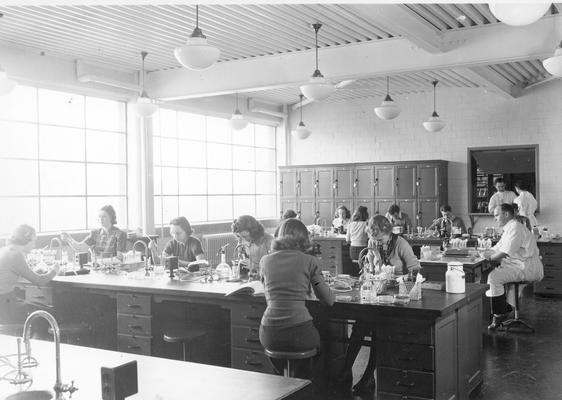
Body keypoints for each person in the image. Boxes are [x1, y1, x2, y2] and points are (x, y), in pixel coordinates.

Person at [338, 215, 421, 394]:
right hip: (379, 294)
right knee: (360, 327)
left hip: (398, 296)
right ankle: (345, 370)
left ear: (388, 233)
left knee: (378, 330)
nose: (376, 243)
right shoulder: (373, 243)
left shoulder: (401, 244)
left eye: (379, 239)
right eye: (373, 239)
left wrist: (397, 277)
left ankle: (368, 376)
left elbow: (415, 270)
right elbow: (372, 268)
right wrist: (370, 265)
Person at [259, 218, 334, 379]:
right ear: (304, 239)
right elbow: (327, 299)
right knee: (326, 341)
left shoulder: (264, 261)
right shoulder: (309, 261)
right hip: (298, 332)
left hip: (269, 333)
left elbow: (268, 293)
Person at [484, 203, 543, 330]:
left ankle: (501, 313)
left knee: (494, 277)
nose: (495, 218)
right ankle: (503, 309)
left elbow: (505, 252)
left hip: (526, 268)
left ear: (506, 214)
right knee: (493, 275)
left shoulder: (515, 228)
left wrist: (488, 257)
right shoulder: (509, 229)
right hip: (519, 265)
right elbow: (497, 247)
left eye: (496, 215)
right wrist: (481, 252)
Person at [0, 225, 60, 323]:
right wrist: (55, 270)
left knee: (40, 308)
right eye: (33, 241)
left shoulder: (5, 250)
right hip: (5, 304)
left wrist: (35, 272)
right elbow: (40, 281)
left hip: (4, 303)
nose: (34, 245)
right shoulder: (16, 255)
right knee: (50, 313)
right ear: (25, 240)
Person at [61, 205, 127, 260]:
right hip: (97, 268)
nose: (101, 219)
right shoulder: (95, 233)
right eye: (99, 217)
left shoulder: (120, 234)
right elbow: (80, 248)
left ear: (111, 217)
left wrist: (100, 260)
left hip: (113, 269)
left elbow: (119, 257)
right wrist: (68, 238)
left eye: (104, 217)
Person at [346, 206, 369, 276]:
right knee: (364, 268)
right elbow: (370, 237)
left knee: (355, 269)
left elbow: (347, 240)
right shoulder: (366, 224)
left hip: (352, 250)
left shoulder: (350, 224)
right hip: (363, 250)